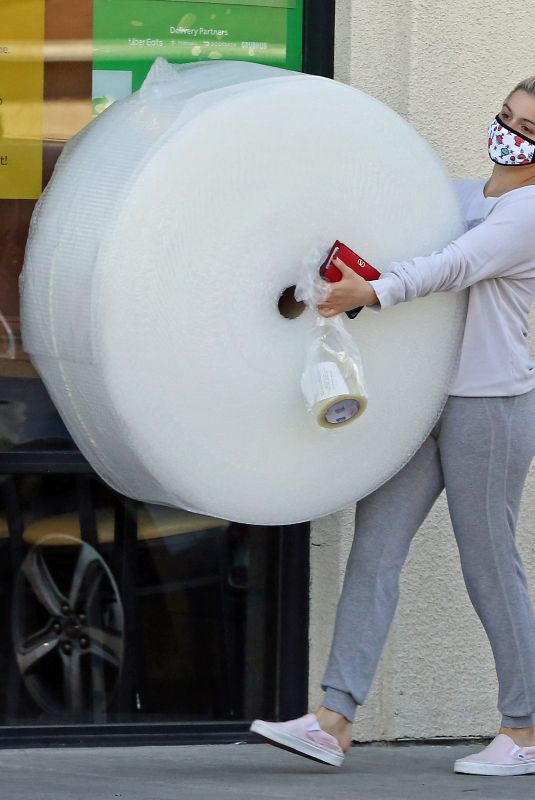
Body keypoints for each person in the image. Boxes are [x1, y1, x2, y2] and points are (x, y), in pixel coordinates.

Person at [250, 76, 535, 777]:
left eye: (524, 127)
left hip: (489, 404)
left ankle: (524, 730)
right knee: (374, 546)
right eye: (503, 115)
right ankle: (333, 720)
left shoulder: (528, 212)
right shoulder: (468, 195)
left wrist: (369, 291)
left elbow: (450, 266)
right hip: (425, 400)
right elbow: (408, 237)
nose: (506, 131)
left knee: (489, 562)